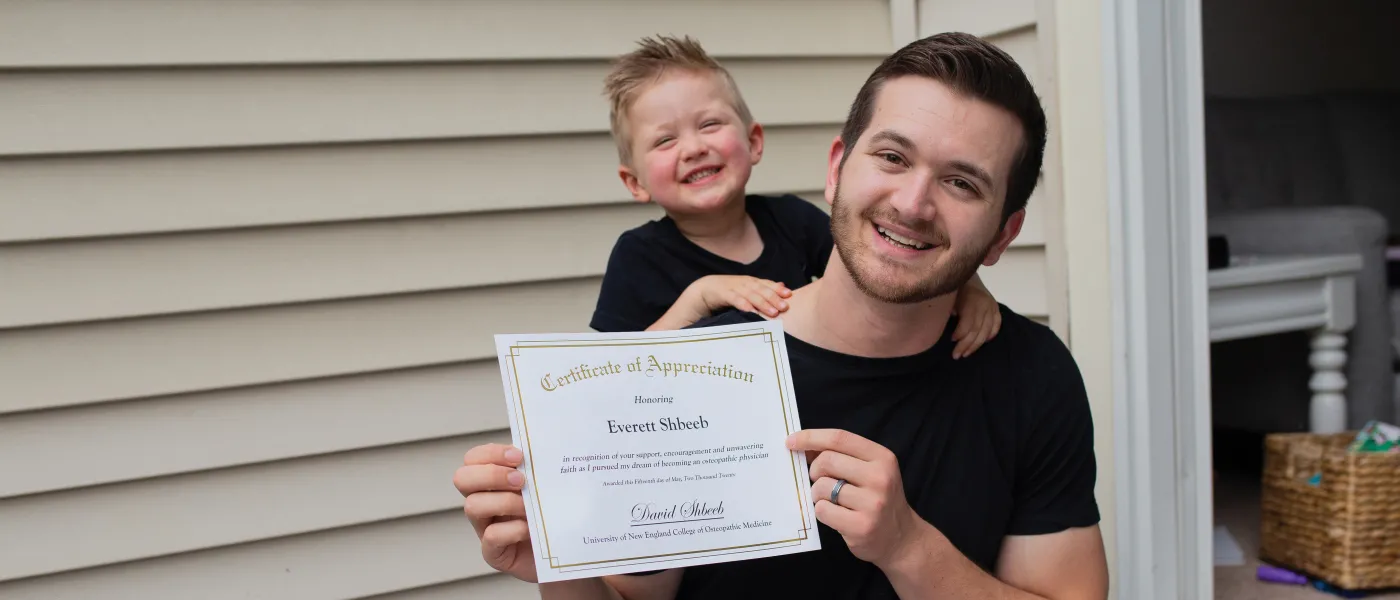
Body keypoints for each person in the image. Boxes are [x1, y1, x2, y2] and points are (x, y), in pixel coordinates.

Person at [454, 32, 1109, 599]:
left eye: (962, 183)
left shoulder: (1031, 373)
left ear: (1004, 234)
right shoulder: (689, 374)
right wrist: (560, 570)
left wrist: (909, 548)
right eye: (892, 156)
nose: (913, 202)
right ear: (836, 169)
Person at [588, 34, 1003, 359]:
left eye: (710, 124)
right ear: (635, 182)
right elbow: (619, 368)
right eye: (665, 140)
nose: (694, 147)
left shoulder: (790, 221)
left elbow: (886, 251)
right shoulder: (638, 256)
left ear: (754, 142)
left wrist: (971, 287)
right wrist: (699, 297)